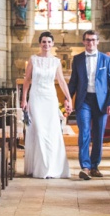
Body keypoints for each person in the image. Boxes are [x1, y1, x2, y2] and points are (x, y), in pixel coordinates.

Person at [67, 29, 110, 180]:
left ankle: (95, 165)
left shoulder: (106, 60)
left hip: (101, 103)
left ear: (97, 42)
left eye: (93, 40)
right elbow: (73, 82)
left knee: (98, 135)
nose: (90, 43)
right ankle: (85, 167)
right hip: (84, 101)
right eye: (88, 40)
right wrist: (68, 99)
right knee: (84, 133)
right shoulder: (77, 59)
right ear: (83, 42)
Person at [21, 31, 72, 178]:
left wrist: (68, 98)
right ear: (40, 43)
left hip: (50, 99)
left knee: (52, 131)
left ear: (53, 44)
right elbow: (27, 80)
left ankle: (52, 168)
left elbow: (61, 81)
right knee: (38, 131)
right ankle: (40, 168)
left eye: (49, 42)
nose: (46, 45)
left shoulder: (56, 61)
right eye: (44, 42)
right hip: (36, 97)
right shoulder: (33, 59)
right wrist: (24, 99)